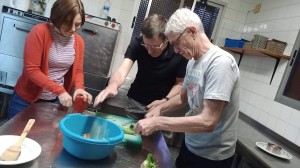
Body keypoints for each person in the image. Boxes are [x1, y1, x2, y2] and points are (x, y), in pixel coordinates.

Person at [134, 8, 240, 168]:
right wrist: (160, 107)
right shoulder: (192, 62)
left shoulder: (220, 63)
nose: (175, 50)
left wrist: (158, 122)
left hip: (211, 156)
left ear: (192, 31)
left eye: (176, 43)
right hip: (191, 145)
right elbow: (183, 98)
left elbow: (208, 121)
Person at [7, 0, 92, 119]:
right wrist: (60, 90)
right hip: (25, 101)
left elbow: (78, 70)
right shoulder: (39, 32)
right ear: (57, 18)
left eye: (77, 24)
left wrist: (79, 88)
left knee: (44, 137)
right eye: (67, 23)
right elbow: (31, 70)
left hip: (54, 102)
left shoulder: (79, 42)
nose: (73, 29)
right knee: (16, 137)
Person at [93, 14, 188, 120]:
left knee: (150, 135)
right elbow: (122, 70)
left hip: (160, 105)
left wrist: (165, 100)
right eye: (146, 45)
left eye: (155, 46)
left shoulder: (178, 52)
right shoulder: (138, 43)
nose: (149, 51)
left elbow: (179, 83)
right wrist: (113, 85)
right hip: (135, 101)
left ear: (166, 39)